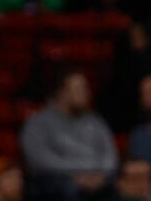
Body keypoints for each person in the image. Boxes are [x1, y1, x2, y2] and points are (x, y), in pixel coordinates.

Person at [20, 69, 118, 201]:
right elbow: (39, 160)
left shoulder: (96, 122)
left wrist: (99, 175)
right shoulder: (39, 122)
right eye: (79, 89)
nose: (86, 94)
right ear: (62, 93)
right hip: (58, 179)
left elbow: (110, 156)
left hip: (97, 177)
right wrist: (76, 174)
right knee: (67, 188)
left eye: (85, 88)